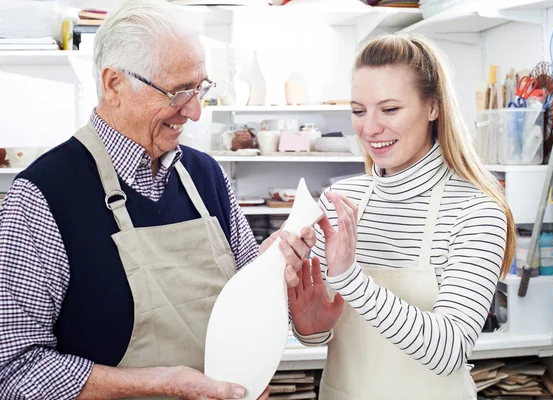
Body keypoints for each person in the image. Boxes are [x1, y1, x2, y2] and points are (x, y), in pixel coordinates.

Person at [0, 1, 316, 399]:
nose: (196, 111)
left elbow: (243, 310)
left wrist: (271, 269)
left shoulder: (207, 175)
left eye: (200, 88)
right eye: (179, 91)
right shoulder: (41, 196)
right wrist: (162, 386)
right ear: (114, 84)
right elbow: (13, 371)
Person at [288, 34, 516, 399]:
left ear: (433, 108)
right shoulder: (340, 201)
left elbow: (449, 351)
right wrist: (310, 327)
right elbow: (323, 333)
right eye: (359, 111)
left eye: (390, 109)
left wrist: (350, 279)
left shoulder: (476, 210)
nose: (369, 128)